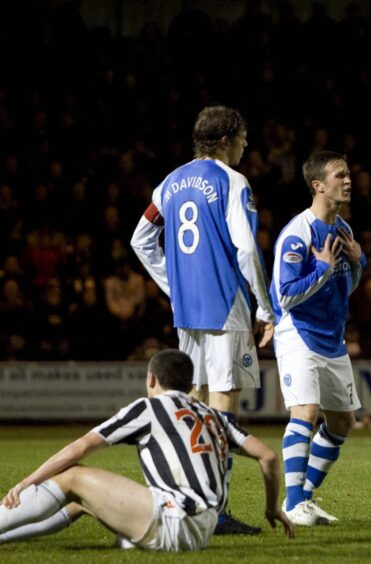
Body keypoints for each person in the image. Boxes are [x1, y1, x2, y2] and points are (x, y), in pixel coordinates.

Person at [131, 105, 275, 535]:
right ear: (227, 137)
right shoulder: (232, 182)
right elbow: (247, 250)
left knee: (190, 405)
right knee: (223, 410)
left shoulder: (169, 183)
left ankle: (187, 501)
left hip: (187, 313)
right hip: (225, 307)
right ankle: (218, 511)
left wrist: (174, 284)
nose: (246, 146)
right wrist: (265, 308)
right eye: (243, 138)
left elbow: (140, 239)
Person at [0, 349, 294, 550]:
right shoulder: (212, 414)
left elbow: (80, 448)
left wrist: (27, 482)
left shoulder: (149, 407)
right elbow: (267, 456)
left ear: (151, 379)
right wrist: (271, 507)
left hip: (175, 522)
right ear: (190, 385)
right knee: (82, 502)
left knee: (74, 477)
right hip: (203, 529)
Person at [270, 150, 365, 526]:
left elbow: (347, 285)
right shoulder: (298, 233)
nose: (348, 180)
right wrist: (323, 268)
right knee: (305, 413)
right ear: (318, 185)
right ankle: (293, 503)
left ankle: (304, 499)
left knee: (343, 422)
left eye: (348, 173)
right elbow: (286, 294)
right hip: (299, 332)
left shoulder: (344, 230)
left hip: (332, 337)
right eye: (340, 175)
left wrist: (357, 263)